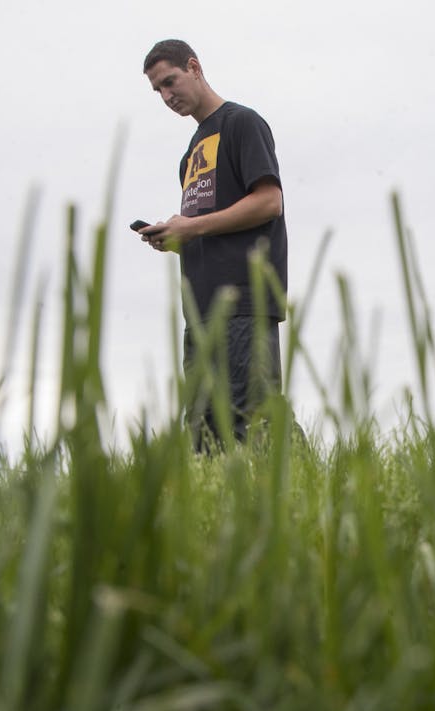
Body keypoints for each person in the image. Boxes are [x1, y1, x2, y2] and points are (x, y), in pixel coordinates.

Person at [139, 39, 289, 450]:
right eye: (158, 91)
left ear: (194, 67)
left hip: (244, 300)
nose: (167, 96)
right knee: (203, 434)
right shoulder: (190, 155)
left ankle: (285, 505)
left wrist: (193, 228)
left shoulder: (242, 123)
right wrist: (174, 237)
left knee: (251, 425)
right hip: (200, 312)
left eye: (171, 82)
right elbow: (207, 226)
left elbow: (268, 201)